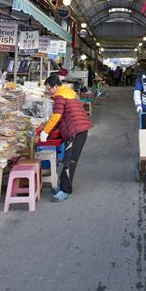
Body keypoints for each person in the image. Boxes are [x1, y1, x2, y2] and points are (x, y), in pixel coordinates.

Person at [39, 74, 93, 202]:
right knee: (68, 160)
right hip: (79, 129)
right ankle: (63, 185)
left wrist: (46, 131)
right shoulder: (69, 92)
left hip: (75, 131)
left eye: (49, 88)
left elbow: (57, 116)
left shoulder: (59, 95)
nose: (48, 91)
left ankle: (65, 190)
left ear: (56, 86)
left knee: (69, 161)